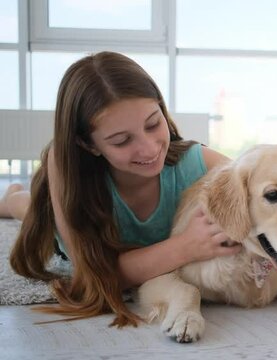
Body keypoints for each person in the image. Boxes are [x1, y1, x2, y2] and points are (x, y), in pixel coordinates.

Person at [2, 51, 241, 327]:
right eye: (121, 140)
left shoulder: (195, 162)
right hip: (67, 218)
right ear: (88, 145)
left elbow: (258, 185)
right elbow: (90, 279)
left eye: (153, 123)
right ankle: (10, 197)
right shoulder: (65, 165)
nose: (150, 149)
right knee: (29, 209)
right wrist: (185, 246)